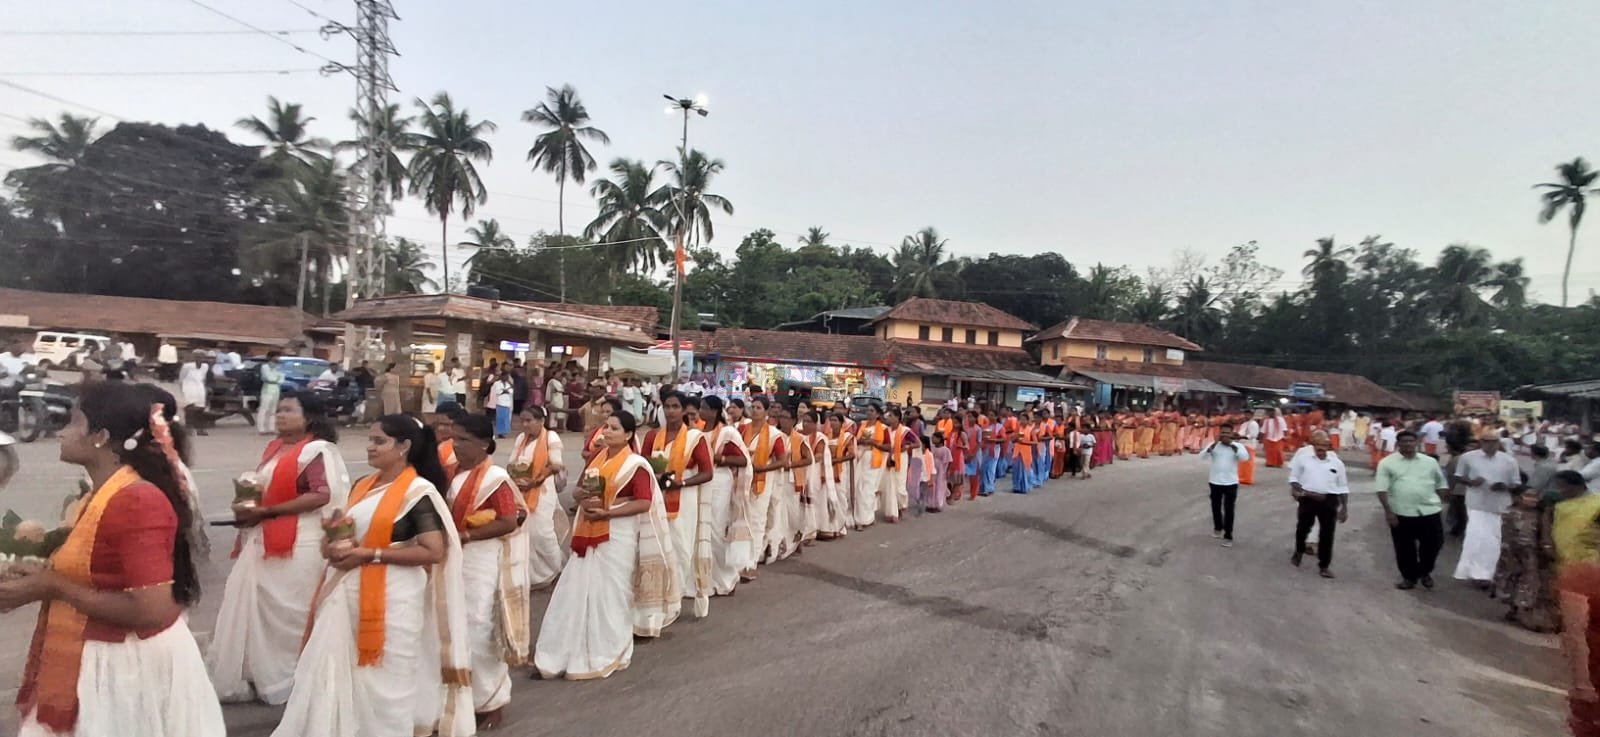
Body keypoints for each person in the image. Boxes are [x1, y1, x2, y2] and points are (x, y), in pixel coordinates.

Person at [1, 381, 225, 737]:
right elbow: (97, 572)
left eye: (73, 422)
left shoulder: (135, 499)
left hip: (124, 665)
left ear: (100, 437)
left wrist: (53, 586)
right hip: (100, 654)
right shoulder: (104, 493)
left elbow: (151, 610)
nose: (61, 433)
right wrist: (38, 575)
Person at [271, 414, 472, 737]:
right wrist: (332, 543)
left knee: (388, 677)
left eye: (379, 442)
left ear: (403, 447)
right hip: (347, 589)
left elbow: (434, 551)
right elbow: (346, 535)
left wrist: (370, 555)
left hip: (395, 595)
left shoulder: (418, 493)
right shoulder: (363, 486)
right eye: (370, 440)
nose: (370, 447)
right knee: (339, 670)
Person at [208, 392, 351, 704]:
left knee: (291, 614)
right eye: (279, 410)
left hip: (299, 543)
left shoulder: (315, 450)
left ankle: (289, 678)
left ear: (309, 416)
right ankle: (261, 675)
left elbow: (321, 494)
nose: (280, 415)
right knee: (261, 612)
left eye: (289, 410)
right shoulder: (275, 448)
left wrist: (269, 511)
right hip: (265, 538)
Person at [534, 411, 681, 680]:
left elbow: (644, 502)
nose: (607, 432)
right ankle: (567, 649)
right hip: (589, 529)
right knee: (577, 588)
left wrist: (608, 513)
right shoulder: (597, 458)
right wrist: (582, 497)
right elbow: (578, 490)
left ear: (628, 435)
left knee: (611, 592)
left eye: (614, 428)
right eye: (606, 427)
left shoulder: (636, 465)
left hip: (617, 533)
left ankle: (610, 648)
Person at [446, 414, 528, 730]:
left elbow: (508, 521)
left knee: (479, 629)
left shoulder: (495, 478)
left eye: (463, 440)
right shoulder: (451, 472)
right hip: (453, 558)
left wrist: (467, 536)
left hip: (481, 559)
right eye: (454, 438)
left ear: (483, 444)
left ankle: (492, 700)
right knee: (452, 627)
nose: (456, 445)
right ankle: (457, 697)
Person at [642, 391, 715, 614]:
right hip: (656, 498)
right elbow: (642, 465)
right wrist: (656, 477)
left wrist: (681, 483)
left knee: (680, 549)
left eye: (675, 406)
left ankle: (674, 599)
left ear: (684, 410)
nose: (670, 411)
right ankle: (657, 597)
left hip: (684, 500)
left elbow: (707, 472)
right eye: (667, 406)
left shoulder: (695, 438)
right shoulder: (652, 436)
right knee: (656, 548)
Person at [1374, 430, 1449, 590]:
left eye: (1411, 441)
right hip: (1401, 512)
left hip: (1429, 511)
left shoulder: (1430, 462)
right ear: (1398, 444)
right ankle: (1408, 578)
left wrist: (1441, 500)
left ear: (1417, 443)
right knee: (1404, 548)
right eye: (1404, 441)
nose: (1408, 444)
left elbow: (1441, 483)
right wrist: (1389, 512)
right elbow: (1381, 489)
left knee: (1434, 544)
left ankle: (1424, 571)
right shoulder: (1387, 463)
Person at [1452, 429, 1523, 585]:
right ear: (1481, 442)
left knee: (1493, 541)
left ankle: (1487, 574)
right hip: (1476, 503)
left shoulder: (1509, 460)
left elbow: (1516, 484)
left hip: (1498, 505)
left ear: (1499, 443)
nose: (1489, 445)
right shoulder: (1468, 457)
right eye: (1486, 441)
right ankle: (1474, 573)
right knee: (1475, 538)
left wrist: (1504, 486)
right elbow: (1458, 476)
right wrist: (1470, 482)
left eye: (1493, 442)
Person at [509, 405, 568, 588]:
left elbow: (556, 465)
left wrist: (536, 481)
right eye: (522, 421)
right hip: (522, 489)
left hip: (543, 489)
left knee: (541, 532)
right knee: (526, 532)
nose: (525, 425)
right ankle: (536, 576)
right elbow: (512, 463)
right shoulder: (521, 438)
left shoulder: (551, 437)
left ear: (541, 421)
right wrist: (516, 478)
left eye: (529, 421)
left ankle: (557, 568)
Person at [699, 396, 753, 593]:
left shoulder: (727, 432)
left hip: (719, 482)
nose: (700, 411)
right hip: (701, 482)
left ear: (714, 411)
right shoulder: (697, 431)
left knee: (716, 530)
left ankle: (726, 579)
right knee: (701, 531)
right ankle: (705, 578)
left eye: (704, 408)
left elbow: (743, 460)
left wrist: (718, 458)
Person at [1493, 488, 1558, 631]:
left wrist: (1544, 549)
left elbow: (1543, 535)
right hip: (1511, 553)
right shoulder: (1509, 513)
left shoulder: (1539, 516)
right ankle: (1514, 609)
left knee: (1529, 581)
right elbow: (1504, 534)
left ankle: (1524, 611)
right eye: (1528, 496)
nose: (1533, 500)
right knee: (1511, 579)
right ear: (1518, 498)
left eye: (1535, 497)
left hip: (1529, 554)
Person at [1289, 432, 1350, 578]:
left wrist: (1344, 508)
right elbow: (1293, 479)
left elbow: (1343, 486)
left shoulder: (1337, 463)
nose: (1321, 448)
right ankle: (1299, 551)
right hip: (1308, 499)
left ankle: (1324, 565)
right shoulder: (1303, 459)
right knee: (1303, 528)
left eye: (1324, 445)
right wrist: (1302, 492)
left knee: (1327, 533)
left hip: (1329, 500)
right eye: (1318, 445)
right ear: (1313, 445)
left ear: (1328, 446)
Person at [1201, 426, 1249, 547]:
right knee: (1215, 507)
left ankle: (1228, 535)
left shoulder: (1238, 446)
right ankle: (1218, 528)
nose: (1225, 435)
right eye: (1223, 433)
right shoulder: (1214, 445)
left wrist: (1232, 445)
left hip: (1231, 483)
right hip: (1214, 481)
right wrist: (1214, 445)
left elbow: (1245, 458)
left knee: (1229, 509)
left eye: (1227, 433)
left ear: (1232, 434)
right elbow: (1202, 457)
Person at [177, 351, 209, 435]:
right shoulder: (187, 366)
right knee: (190, 408)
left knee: (200, 408)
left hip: (200, 388)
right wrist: (181, 390)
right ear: (194, 358)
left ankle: (200, 428)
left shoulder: (205, 366)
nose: (200, 359)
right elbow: (181, 378)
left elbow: (203, 378)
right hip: (189, 387)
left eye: (201, 357)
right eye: (197, 357)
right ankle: (189, 428)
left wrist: (204, 388)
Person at [256, 351, 284, 434]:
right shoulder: (265, 367)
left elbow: (282, 379)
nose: (278, 358)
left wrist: (277, 379)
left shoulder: (279, 367)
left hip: (276, 388)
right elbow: (268, 377)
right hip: (267, 388)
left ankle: (271, 428)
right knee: (264, 408)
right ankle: (261, 429)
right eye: (276, 356)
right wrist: (276, 379)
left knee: (273, 410)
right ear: (271, 357)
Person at [489, 369, 514, 438]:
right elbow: (497, 391)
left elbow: (511, 391)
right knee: (500, 418)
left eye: (507, 377)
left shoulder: (508, 384)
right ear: (502, 376)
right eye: (505, 376)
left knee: (506, 418)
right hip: (500, 402)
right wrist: (503, 391)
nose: (506, 378)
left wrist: (506, 391)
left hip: (507, 402)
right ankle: (500, 432)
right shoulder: (497, 383)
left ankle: (504, 432)